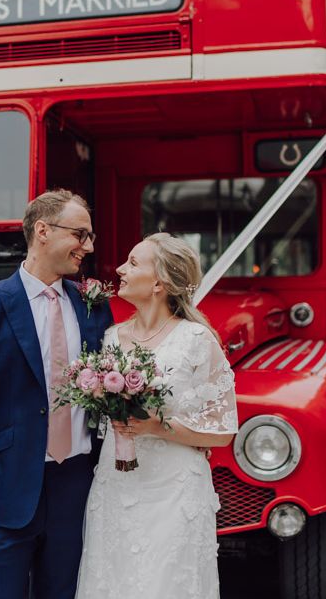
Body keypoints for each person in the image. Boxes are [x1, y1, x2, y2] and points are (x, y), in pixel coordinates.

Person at [0, 189, 113, 599]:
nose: (88, 247)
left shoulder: (92, 305)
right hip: (6, 490)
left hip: (76, 483)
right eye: (80, 234)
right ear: (43, 231)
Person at [76, 233, 238, 599]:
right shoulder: (112, 338)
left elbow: (223, 431)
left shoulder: (196, 339)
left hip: (174, 490)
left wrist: (156, 427)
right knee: (112, 578)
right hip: (117, 484)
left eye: (133, 263)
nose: (119, 269)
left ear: (159, 283)